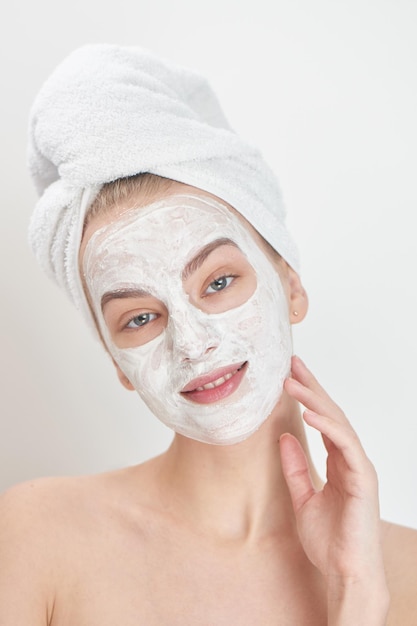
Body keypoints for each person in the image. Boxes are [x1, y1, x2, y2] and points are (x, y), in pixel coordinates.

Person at [0, 44, 416, 625]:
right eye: (140, 318)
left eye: (218, 281)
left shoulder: (406, 575)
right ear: (117, 361)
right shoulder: (35, 539)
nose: (192, 343)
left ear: (290, 286)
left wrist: (357, 594)